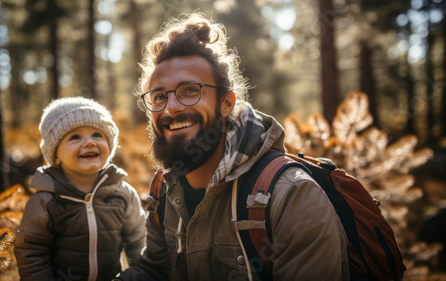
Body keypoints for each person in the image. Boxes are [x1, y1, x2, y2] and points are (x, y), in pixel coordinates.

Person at [117, 12, 349, 281]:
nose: (171, 108)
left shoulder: (291, 194)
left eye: (190, 90)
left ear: (226, 103)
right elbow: (154, 271)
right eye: (159, 96)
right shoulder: (163, 189)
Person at [14, 97, 146, 281]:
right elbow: (31, 254)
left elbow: (139, 243)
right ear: (56, 153)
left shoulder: (122, 193)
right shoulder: (45, 201)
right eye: (75, 137)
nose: (89, 142)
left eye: (97, 135)